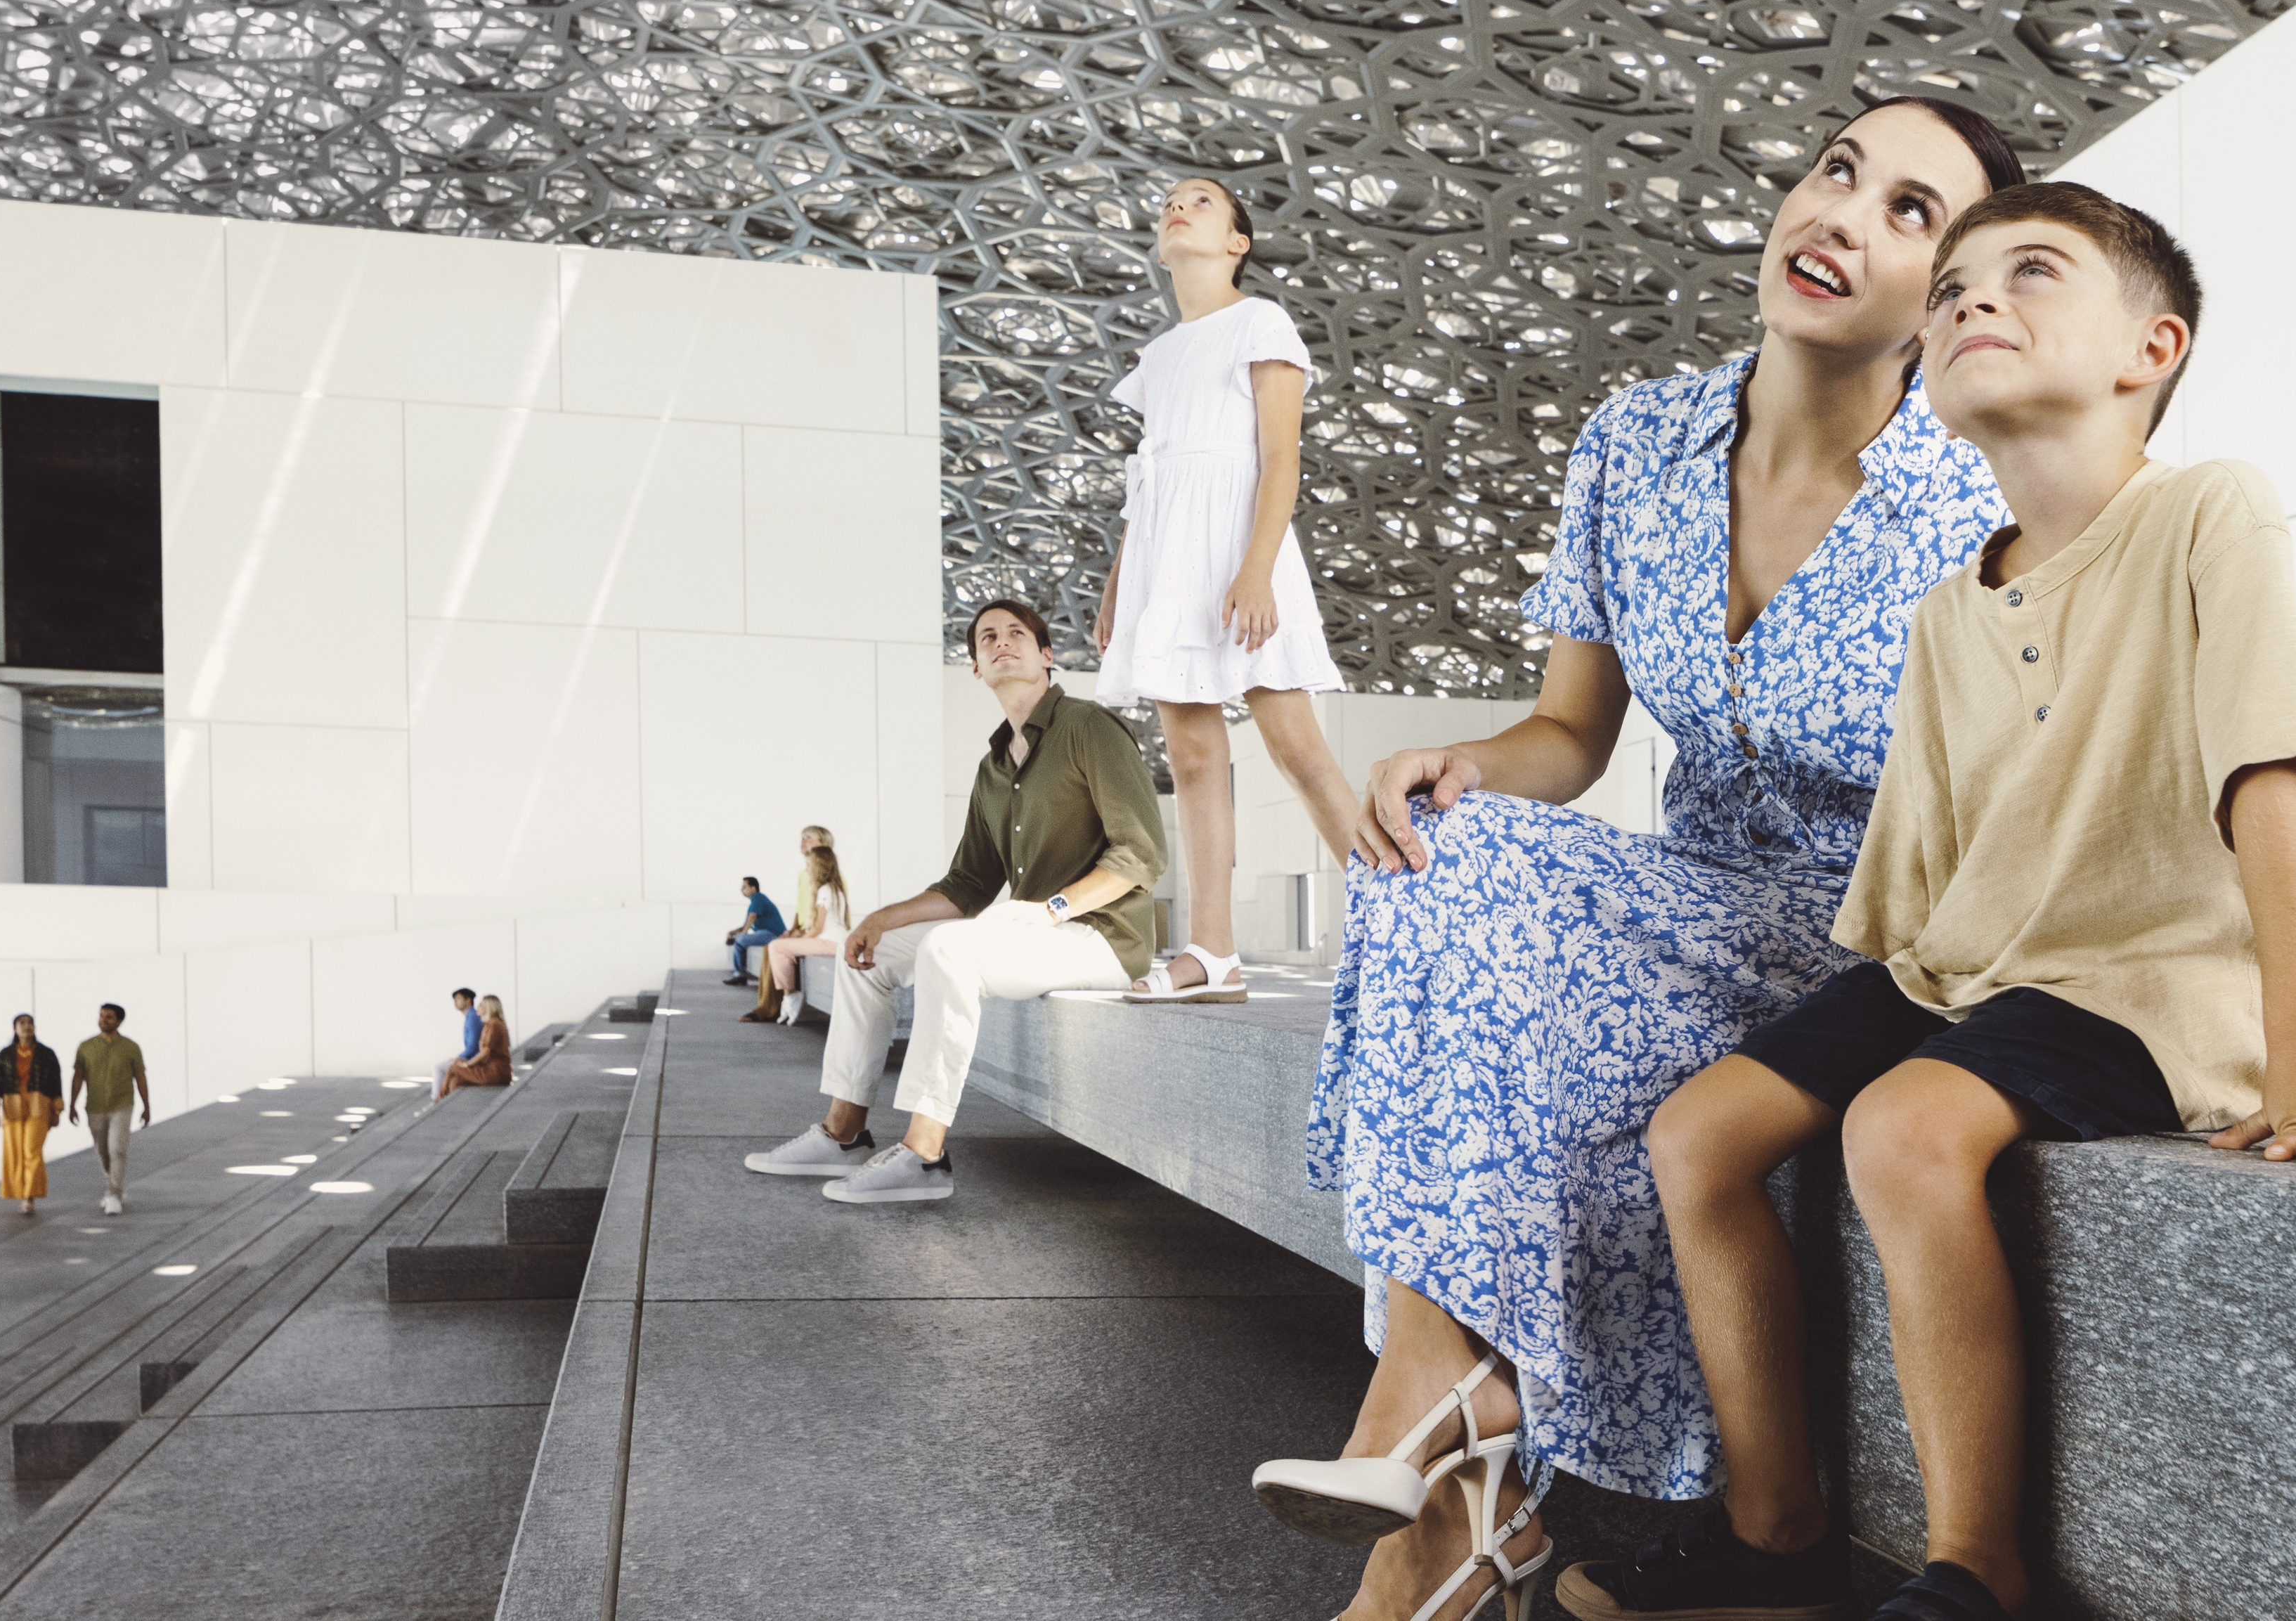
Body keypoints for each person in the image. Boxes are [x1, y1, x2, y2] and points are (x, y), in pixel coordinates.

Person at [1558, 181, 2296, 1621]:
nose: (1973, 296)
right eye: (1954, 285)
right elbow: (1917, 890)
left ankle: (1977, 1566)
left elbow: (2270, 769)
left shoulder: (2207, 508)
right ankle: (1774, 1530)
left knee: (1904, 1128)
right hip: (1965, 969)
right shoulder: (1945, 610)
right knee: (1698, 1133)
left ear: (2151, 347)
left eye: (2030, 271)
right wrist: (1847, 1019)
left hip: (2141, 974)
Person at [1258, 98, 2025, 1621]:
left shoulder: (1980, 485)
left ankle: (1440, 1439)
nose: (1843, 214)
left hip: (1881, 939)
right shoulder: (1637, 439)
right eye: (1838, 170)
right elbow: (1571, 730)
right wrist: (1466, 763)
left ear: (1945, 300)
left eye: (1909, 211)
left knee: (1487, 943)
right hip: (1697, 901)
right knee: (1438, 836)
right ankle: (1448, 1436)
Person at [742, 600, 1164, 1206]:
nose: (1001, 641)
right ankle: (843, 1132)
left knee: (948, 949)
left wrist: (1051, 908)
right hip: (1034, 932)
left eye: (1016, 633)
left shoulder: (1089, 728)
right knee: (868, 954)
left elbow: (1141, 853)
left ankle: (924, 1153)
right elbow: (969, 883)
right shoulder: (992, 769)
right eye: (987, 637)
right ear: (976, 667)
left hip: (1102, 937)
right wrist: (878, 920)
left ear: (1047, 655)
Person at [1093, 175, 1356, 1002]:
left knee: (1296, 747)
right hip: (1167, 559)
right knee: (1191, 753)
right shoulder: (1159, 355)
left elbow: (1281, 457)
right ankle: (1212, 952)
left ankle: (1410, 930)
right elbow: (1150, 480)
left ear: (1237, 241)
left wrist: (1255, 569)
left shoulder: (1260, 321)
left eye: (1201, 200)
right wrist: (1117, 590)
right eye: (1168, 200)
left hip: (1242, 549)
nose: (1177, 206)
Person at [751, 836, 852, 1026]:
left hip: (829, 942)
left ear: (820, 867)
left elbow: (818, 928)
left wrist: (800, 942)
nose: (807, 870)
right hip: (834, 940)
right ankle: (789, 996)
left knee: (777, 947)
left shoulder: (825, 891)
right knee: (781, 947)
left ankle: (790, 995)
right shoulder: (834, 889)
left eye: (809, 866)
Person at [70, 1001, 154, 1215]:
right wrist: (72, 1105)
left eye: (109, 1017)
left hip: (122, 1105)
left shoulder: (130, 1047)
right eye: (102, 1016)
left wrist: (146, 1106)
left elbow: (140, 1077)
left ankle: (114, 1194)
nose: (104, 1020)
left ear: (119, 1021)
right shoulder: (86, 1047)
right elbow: (78, 1077)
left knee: (117, 1149)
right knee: (102, 1150)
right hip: (95, 1106)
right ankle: (113, 1186)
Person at [0, 1012, 63, 1218]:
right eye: (22, 1023)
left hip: (40, 1105)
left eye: (30, 1023)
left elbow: (56, 1081)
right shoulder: (5, 1055)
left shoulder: (47, 1054)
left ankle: (29, 1197)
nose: (27, 1026)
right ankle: (21, 1194)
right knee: (15, 1153)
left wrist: (57, 1108)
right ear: (15, 1029)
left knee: (32, 1150)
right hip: (12, 1105)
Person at [436, 993, 512, 1099]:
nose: (477, 1007)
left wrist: (467, 1064)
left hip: (495, 1073)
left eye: (481, 1005)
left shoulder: (494, 1025)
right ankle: (451, 1105)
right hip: (491, 1070)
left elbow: (485, 1053)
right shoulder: (489, 1024)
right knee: (455, 1081)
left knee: (453, 1068)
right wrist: (464, 1062)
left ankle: (438, 1100)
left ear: (488, 1008)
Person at [722, 878, 787, 986]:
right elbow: (747, 924)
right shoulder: (754, 903)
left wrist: (742, 934)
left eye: (744, 887)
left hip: (774, 934)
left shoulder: (757, 897)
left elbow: (752, 917)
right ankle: (740, 976)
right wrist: (732, 933)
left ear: (753, 888)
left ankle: (740, 976)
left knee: (741, 939)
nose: (741, 890)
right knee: (740, 939)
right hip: (765, 934)